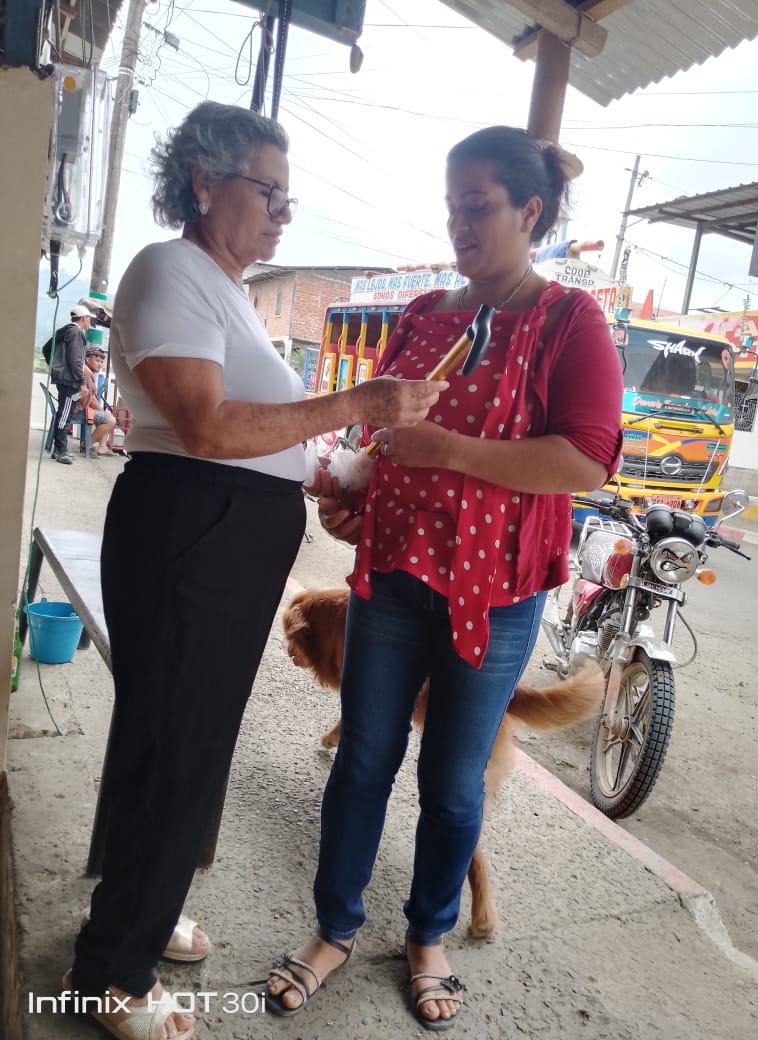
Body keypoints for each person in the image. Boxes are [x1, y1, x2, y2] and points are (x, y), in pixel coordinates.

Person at [65, 100, 445, 1040]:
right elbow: (204, 424)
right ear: (204, 181)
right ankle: (110, 974)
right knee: (177, 740)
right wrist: (356, 403)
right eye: (266, 190)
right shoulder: (170, 270)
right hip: (192, 527)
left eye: (288, 197)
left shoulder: (225, 289)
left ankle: (137, 911)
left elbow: (258, 433)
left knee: (182, 738)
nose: (283, 212)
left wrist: (324, 474)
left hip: (222, 531)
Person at [265, 125, 624, 1030]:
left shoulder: (568, 321)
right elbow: (380, 442)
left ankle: (428, 936)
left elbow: (587, 459)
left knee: (455, 782)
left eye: (478, 207)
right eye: (452, 206)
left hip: (496, 597)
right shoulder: (423, 315)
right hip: (392, 577)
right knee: (363, 759)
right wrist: (352, 503)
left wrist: (451, 451)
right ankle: (335, 929)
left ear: (529, 211)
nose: (460, 223)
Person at [44, 304, 91, 464]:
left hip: (64, 378)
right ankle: (61, 450)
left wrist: (55, 367)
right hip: (70, 381)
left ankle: (60, 450)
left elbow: (46, 349)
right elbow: (75, 360)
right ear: (83, 318)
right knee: (65, 414)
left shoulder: (64, 330)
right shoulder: (76, 333)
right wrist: (81, 382)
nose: (89, 321)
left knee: (65, 413)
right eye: (89, 318)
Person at [81, 346, 117, 457]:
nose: (100, 364)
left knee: (108, 415)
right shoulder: (86, 372)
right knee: (111, 421)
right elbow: (91, 398)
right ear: (87, 359)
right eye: (97, 361)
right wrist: (100, 409)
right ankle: (87, 444)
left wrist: (101, 410)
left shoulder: (87, 371)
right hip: (81, 410)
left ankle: (102, 447)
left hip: (84, 407)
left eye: (101, 362)